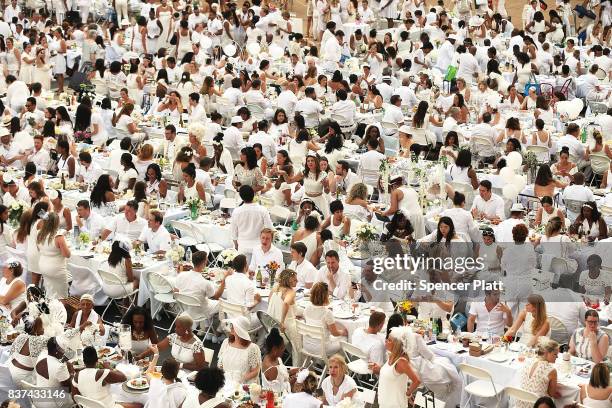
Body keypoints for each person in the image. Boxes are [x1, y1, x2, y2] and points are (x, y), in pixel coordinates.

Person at [175, 251, 227, 340]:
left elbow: (176, 291)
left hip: (187, 308)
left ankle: (206, 328)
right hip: (200, 311)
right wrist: (224, 280)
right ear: (204, 263)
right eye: (206, 260)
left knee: (203, 299)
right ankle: (218, 332)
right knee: (224, 303)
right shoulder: (205, 283)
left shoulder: (181, 275)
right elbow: (216, 296)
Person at [372, 326, 422, 408]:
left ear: (397, 345)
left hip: (395, 404)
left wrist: (408, 394)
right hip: (385, 400)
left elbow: (416, 381)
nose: (386, 341)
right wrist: (379, 369)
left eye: (389, 340)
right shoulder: (391, 355)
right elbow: (392, 374)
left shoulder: (402, 362)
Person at [303, 282, 348, 356]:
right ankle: (337, 365)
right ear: (325, 296)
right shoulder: (327, 313)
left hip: (307, 346)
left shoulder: (306, 309)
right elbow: (335, 333)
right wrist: (343, 332)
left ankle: (322, 363)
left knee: (329, 336)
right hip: (322, 349)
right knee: (345, 339)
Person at [230, 185, 273, 259]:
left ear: (241, 197)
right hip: (259, 246)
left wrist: (236, 246)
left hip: (243, 247)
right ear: (254, 194)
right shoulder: (262, 210)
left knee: (244, 270)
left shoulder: (236, 211)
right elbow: (269, 228)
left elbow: (234, 233)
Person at [516, 340, 561, 408]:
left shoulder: (528, 361)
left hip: (519, 403)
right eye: (555, 354)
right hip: (537, 405)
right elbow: (551, 393)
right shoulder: (551, 370)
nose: (557, 357)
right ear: (546, 353)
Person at [218, 316, 261, 384]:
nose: (230, 327)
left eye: (232, 325)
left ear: (239, 330)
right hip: (224, 382)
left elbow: (255, 371)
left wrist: (241, 380)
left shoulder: (252, 348)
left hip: (241, 385)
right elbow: (220, 365)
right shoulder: (226, 343)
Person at [36, 213, 70, 299]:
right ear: (56, 223)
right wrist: (67, 247)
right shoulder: (58, 237)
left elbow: (39, 249)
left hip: (43, 266)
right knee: (62, 295)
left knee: (50, 291)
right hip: (56, 269)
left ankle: (50, 309)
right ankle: (60, 311)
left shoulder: (39, 234)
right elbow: (67, 254)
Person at [35, 337, 74, 408]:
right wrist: (71, 372)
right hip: (52, 403)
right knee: (77, 394)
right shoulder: (60, 367)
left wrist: (64, 361)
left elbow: (51, 365)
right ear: (56, 351)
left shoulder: (41, 355)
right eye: (63, 351)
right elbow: (69, 389)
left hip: (37, 399)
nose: (64, 353)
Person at [262, 328, 298, 393]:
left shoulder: (276, 358)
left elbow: (281, 374)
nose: (284, 350)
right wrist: (291, 381)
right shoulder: (272, 368)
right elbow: (278, 391)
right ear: (275, 349)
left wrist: (296, 370)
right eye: (282, 348)